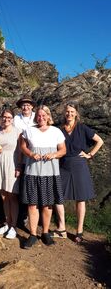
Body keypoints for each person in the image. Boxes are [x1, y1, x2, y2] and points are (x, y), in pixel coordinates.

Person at [20, 105, 66, 248]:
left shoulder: (56, 131)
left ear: (48, 116)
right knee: (32, 204)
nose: (41, 118)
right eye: (39, 115)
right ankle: (33, 234)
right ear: (36, 117)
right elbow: (22, 146)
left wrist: (54, 154)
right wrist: (31, 154)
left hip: (50, 173)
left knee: (47, 204)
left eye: (43, 115)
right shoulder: (29, 130)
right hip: (32, 172)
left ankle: (45, 233)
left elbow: (63, 150)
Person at [57, 101, 104, 243]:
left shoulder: (83, 128)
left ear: (76, 113)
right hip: (63, 164)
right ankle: (62, 228)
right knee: (58, 196)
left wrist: (90, 155)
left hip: (79, 164)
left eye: (72, 111)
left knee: (80, 198)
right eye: (67, 111)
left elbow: (99, 141)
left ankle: (79, 231)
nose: (69, 114)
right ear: (64, 113)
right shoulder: (59, 129)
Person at [0, 109, 21, 239]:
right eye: (4, 117)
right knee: (3, 195)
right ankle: (7, 222)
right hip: (0, 162)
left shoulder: (17, 132)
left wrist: (19, 166)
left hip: (12, 163)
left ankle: (13, 226)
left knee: (12, 195)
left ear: (13, 118)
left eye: (9, 117)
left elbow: (20, 151)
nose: (6, 119)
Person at [13, 95, 36, 227]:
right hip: (19, 154)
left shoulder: (37, 117)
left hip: (34, 154)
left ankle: (30, 215)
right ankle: (21, 216)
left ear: (32, 106)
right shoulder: (16, 119)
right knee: (20, 186)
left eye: (28, 105)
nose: (26, 107)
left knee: (32, 185)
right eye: (23, 105)